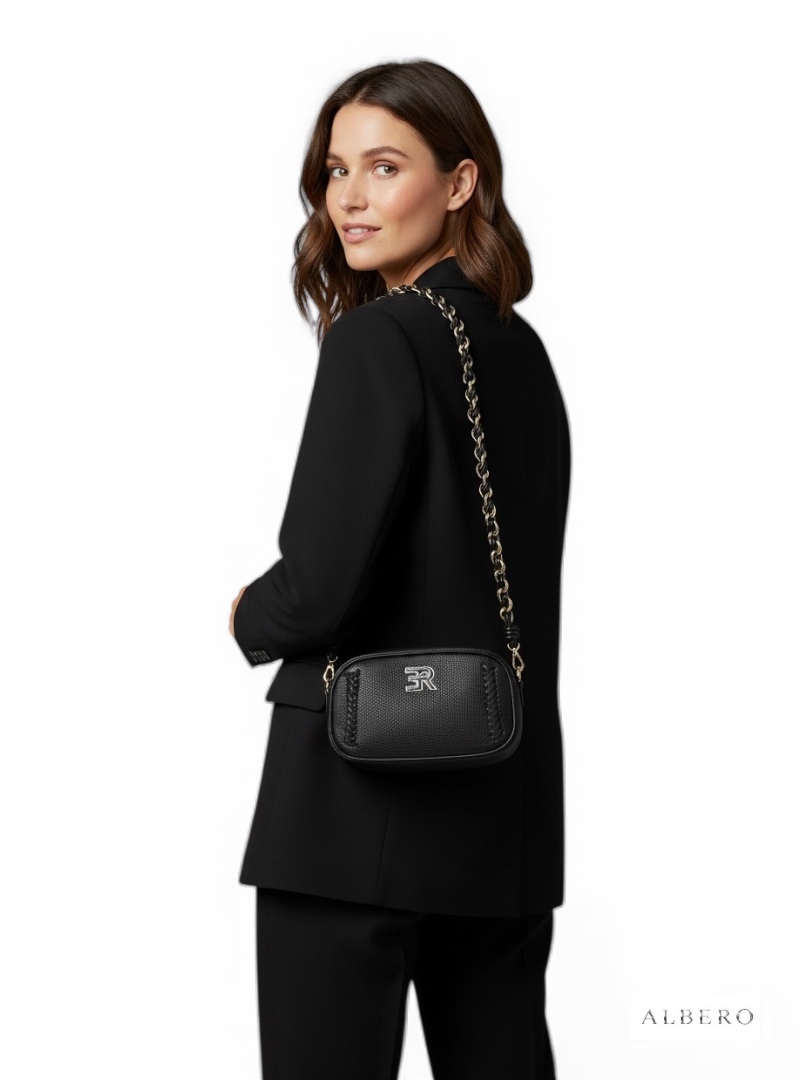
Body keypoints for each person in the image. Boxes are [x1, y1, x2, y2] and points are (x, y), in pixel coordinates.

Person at [229, 59, 571, 1080]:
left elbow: (317, 590)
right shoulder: (522, 353)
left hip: (351, 808)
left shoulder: (376, 342)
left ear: (460, 183)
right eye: (336, 171)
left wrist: (249, 615)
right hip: (501, 811)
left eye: (385, 167)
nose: (349, 198)